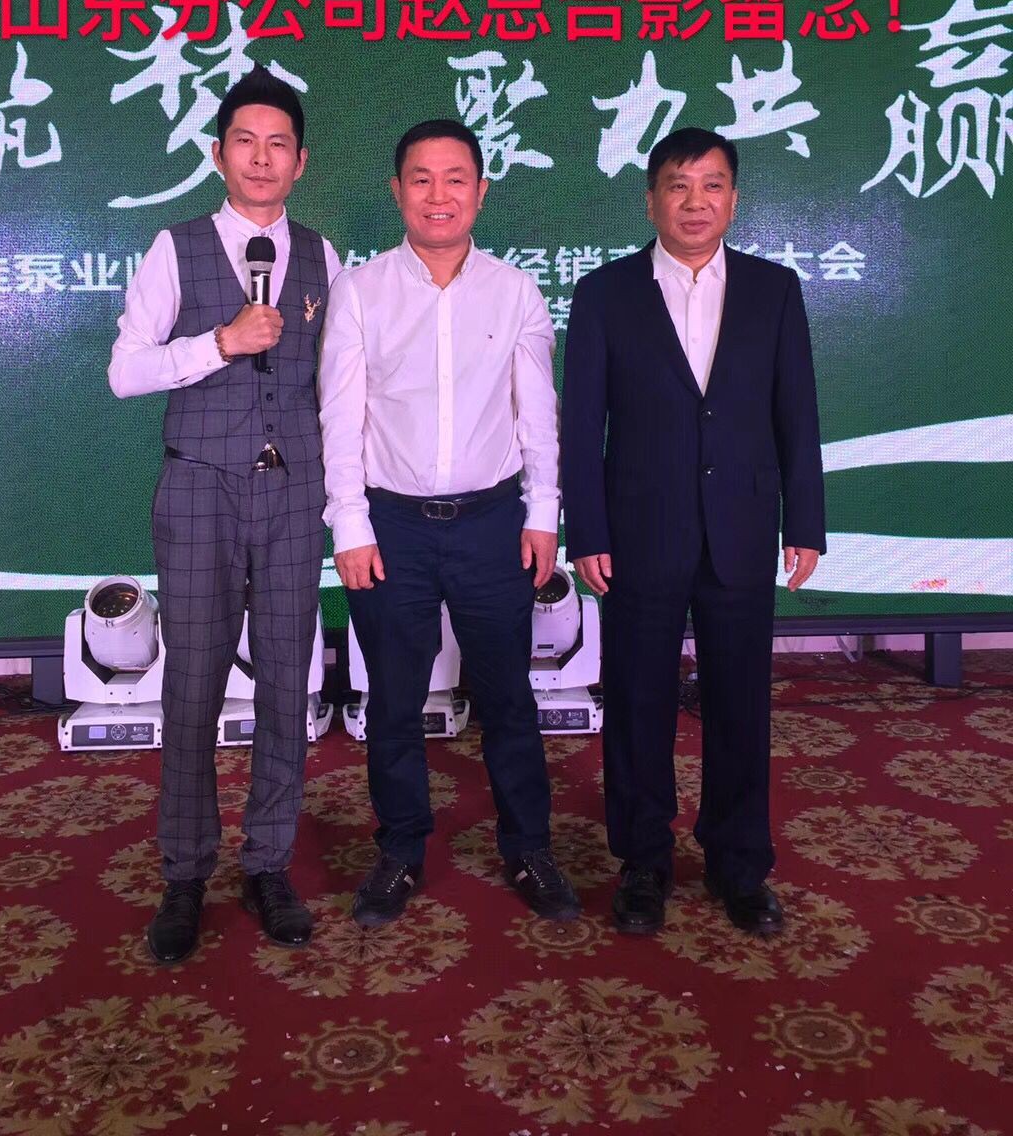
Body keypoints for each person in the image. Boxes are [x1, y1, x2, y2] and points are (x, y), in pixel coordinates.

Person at [561, 127, 825, 937]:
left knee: (740, 705)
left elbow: (796, 414)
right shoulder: (605, 293)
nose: (695, 201)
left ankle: (738, 864)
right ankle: (643, 861)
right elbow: (582, 427)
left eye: (712, 185)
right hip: (638, 533)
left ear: (734, 200)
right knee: (637, 701)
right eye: (678, 185)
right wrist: (587, 531)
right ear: (651, 201)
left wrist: (805, 522)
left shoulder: (774, 290)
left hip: (742, 527)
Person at [317, 118, 579, 927]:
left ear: (481, 191)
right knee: (393, 702)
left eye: (455, 178)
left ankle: (528, 846)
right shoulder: (360, 291)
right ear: (397, 191)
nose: (439, 195)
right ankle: (400, 849)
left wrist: (544, 513)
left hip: (493, 523)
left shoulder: (515, 292)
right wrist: (349, 525)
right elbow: (341, 418)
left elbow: (538, 416)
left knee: (508, 696)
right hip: (389, 527)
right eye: (422, 179)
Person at [109, 65, 341, 962]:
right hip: (200, 489)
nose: (261, 158)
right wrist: (219, 343)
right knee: (194, 686)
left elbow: (339, 385)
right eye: (245, 141)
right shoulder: (175, 248)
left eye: (279, 144)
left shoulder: (323, 258)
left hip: (293, 494)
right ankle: (184, 873)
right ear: (218, 154)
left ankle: (268, 864)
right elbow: (125, 371)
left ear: (301, 162)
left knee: (288, 683)